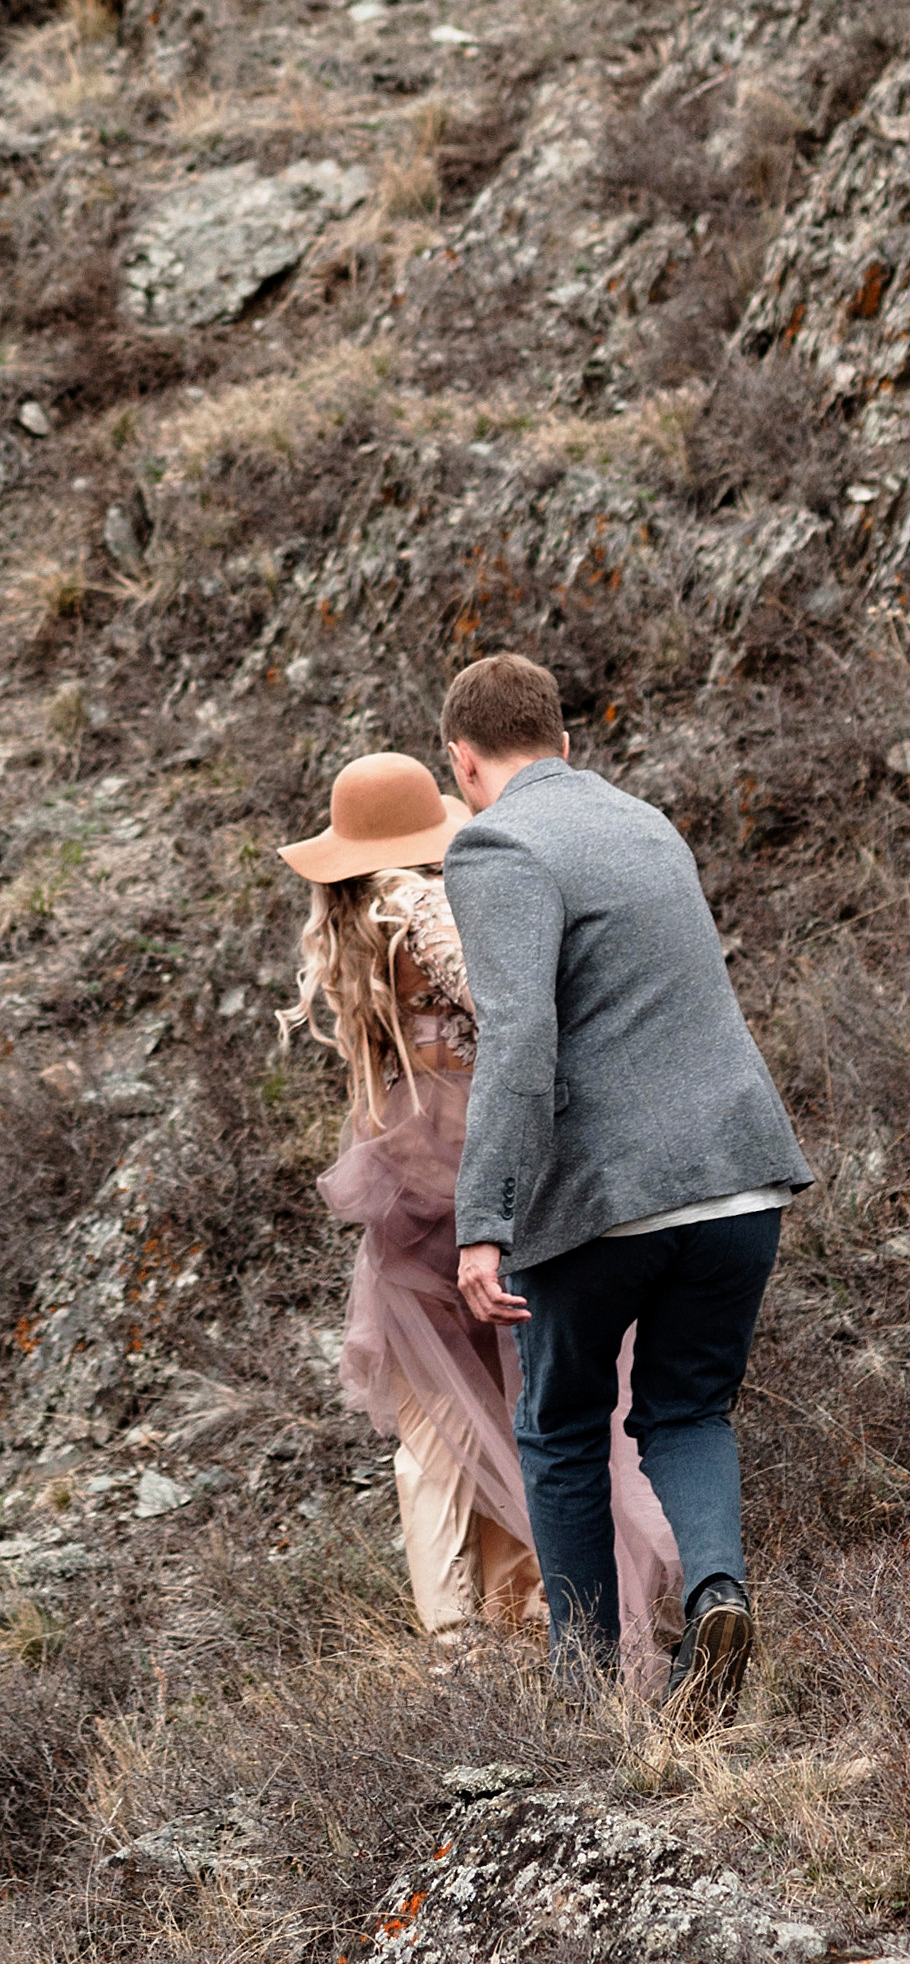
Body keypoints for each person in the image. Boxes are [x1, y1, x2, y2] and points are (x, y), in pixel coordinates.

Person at [443, 652, 812, 1719]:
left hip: (607, 1197)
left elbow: (519, 1041)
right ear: (563, 742)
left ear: (464, 763)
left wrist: (485, 1220)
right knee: (688, 1406)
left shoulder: (498, 842)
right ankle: (716, 1590)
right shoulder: (646, 819)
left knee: (559, 1426)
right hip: (741, 1177)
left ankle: (587, 1696)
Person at [279, 751, 674, 1648]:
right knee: (526, 1398)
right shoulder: (421, 903)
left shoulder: (349, 922)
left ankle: (468, 1631)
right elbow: (512, 1013)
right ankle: (524, 1614)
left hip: (408, 1177)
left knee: (443, 1419)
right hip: (486, 1169)